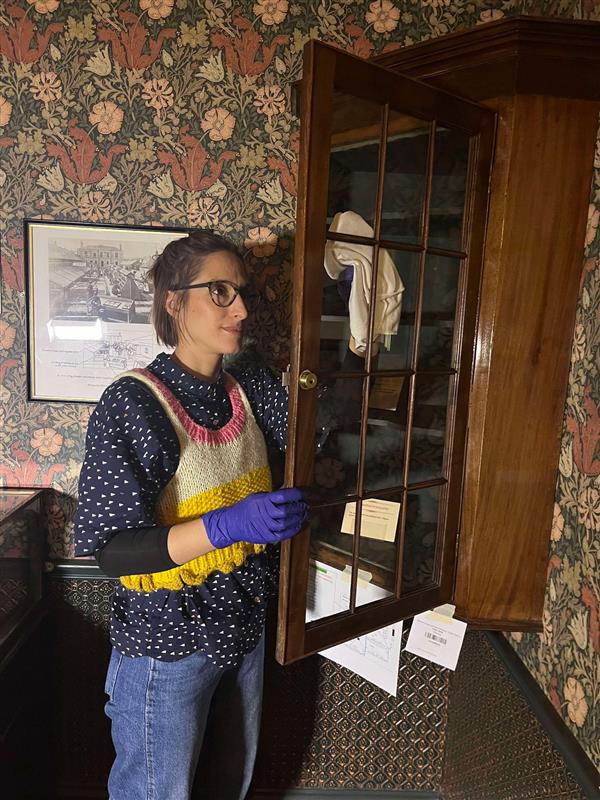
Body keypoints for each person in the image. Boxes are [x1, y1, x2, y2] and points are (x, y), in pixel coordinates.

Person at [74, 231, 308, 800]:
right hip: (169, 643)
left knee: (232, 781)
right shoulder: (133, 402)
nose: (243, 309)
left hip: (247, 628)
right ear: (175, 302)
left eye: (243, 293)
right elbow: (112, 549)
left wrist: (359, 333)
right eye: (221, 291)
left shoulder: (251, 389)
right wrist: (225, 526)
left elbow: (319, 432)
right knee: (158, 792)